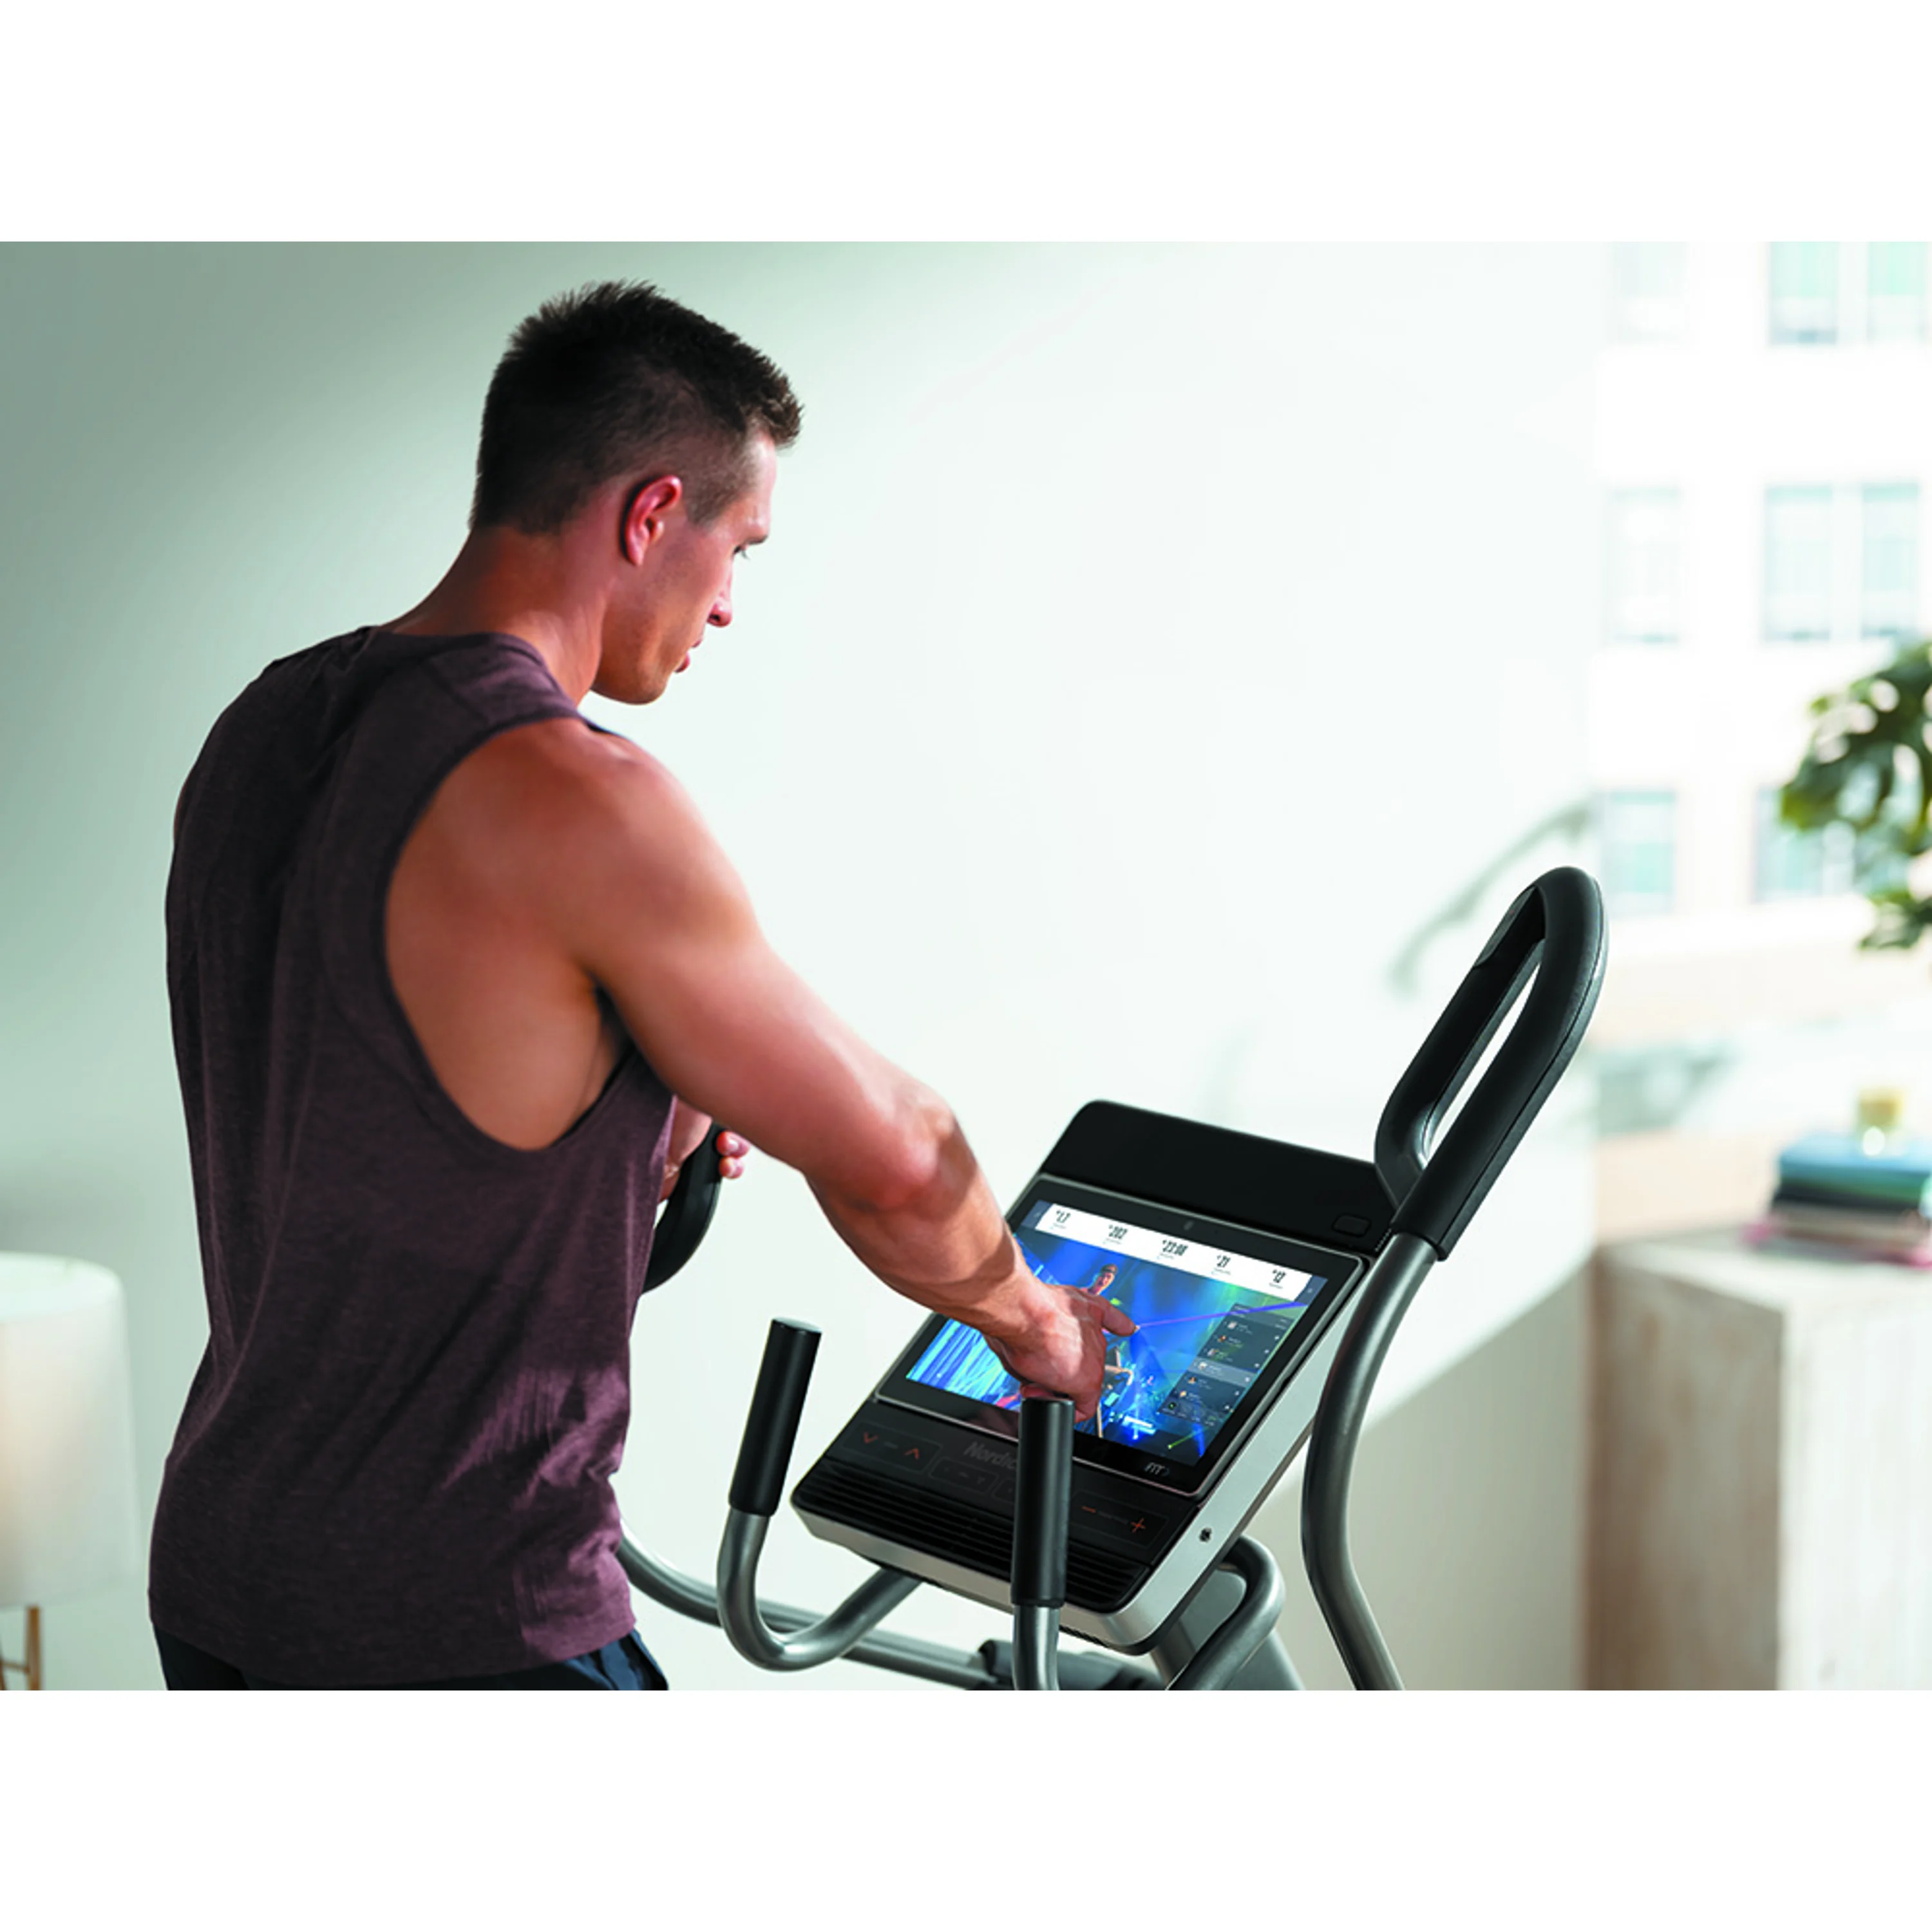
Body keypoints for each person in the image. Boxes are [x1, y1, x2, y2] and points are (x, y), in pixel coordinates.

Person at [151, 279, 1135, 1690]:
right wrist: (1039, 1326)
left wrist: (636, 1122)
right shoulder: (578, 796)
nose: (728, 604)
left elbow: (369, 1122)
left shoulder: (264, 723)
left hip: (226, 1581)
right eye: (738, 547)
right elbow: (903, 1158)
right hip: (460, 1615)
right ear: (653, 513)